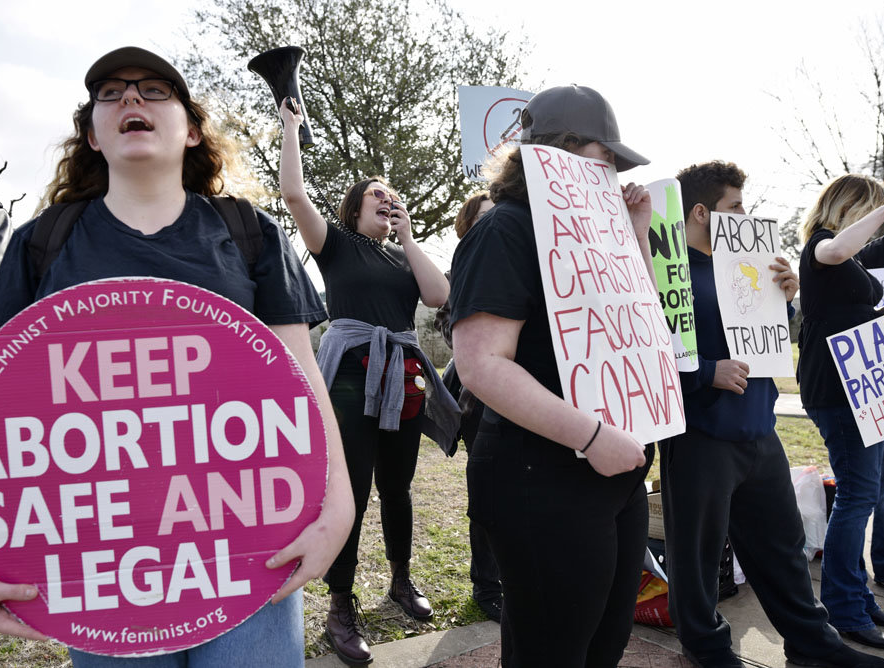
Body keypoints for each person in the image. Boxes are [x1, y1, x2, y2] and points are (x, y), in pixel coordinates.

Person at [0, 46, 355, 667]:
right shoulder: (40, 244)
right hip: (100, 560)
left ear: (191, 131)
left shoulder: (251, 233)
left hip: (245, 542)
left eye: (154, 90)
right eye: (112, 93)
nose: (131, 98)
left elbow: (299, 383)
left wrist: (338, 504)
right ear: (93, 137)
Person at [449, 84, 653, 668]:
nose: (612, 172)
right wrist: (591, 436)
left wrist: (635, 231)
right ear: (559, 150)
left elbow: (639, 323)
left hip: (610, 470)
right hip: (540, 475)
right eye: (604, 156)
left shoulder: (595, 231)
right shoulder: (505, 229)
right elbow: (482, 364)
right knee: (553, 650)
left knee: (604, 643)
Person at [660, 160, 884, 668]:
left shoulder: (748, 264)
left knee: (782, 547)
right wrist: (705, 373)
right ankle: (707, 649)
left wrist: (783, 298)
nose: (746, 215)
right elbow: (647, 351)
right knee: (696, 556)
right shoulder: (667, 274)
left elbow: (765, 340)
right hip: (700, 435)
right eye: (735, 206)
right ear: (701, 212)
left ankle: (813, 643)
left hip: (760, 429)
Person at [278, 96, 456, 665]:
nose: (387, 198)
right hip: (352, 375)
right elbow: (293, 196)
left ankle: (400, 582)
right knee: (351, 491)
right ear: (355, 208)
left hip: (402, 375)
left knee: (398, 485)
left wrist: (407, 237)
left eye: (393, 195)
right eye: (376, 194)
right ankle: (339, 606)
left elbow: (438, 296)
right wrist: (290, 127)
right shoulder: (336, 244)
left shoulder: (405, 259)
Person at [798, 173, 884, 649]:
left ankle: (856, 596)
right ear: (853, 208)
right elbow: (833, 251)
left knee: (863, 494)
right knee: (856, 498)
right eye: (871, 212)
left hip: (861, 393)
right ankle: (845, 608)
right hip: (837, 392)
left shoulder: (849, 257)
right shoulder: (822, 246)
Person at [432, 191, 502, 622]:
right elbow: (451, 329)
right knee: (489, 499)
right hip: (482, 408)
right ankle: (487, 586)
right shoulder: (464, 275)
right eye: (489, 216)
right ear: (468, 229)